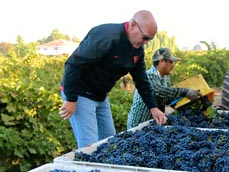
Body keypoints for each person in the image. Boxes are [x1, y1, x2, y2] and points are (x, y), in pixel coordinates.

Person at [58, 10, 167, 148]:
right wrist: (71, 99)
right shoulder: (107, 36)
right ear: (133, 25)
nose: (145, 43)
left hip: (100, 96)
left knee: (111, 143)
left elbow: (141, 81)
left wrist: (153, 107)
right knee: (89, 148)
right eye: (145, 37)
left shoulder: (137, 50)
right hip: (80, 94)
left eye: (149, 40)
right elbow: (73, 64)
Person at [126, 47, 202, 129]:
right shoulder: (149, 75)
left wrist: (186, 100)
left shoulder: (165, 79)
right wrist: (185, 91)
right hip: (138, 125)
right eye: (171, 62)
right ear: (161, 61)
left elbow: (168, 98)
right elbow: (159, 91)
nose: (173, 65)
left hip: (153, 124)